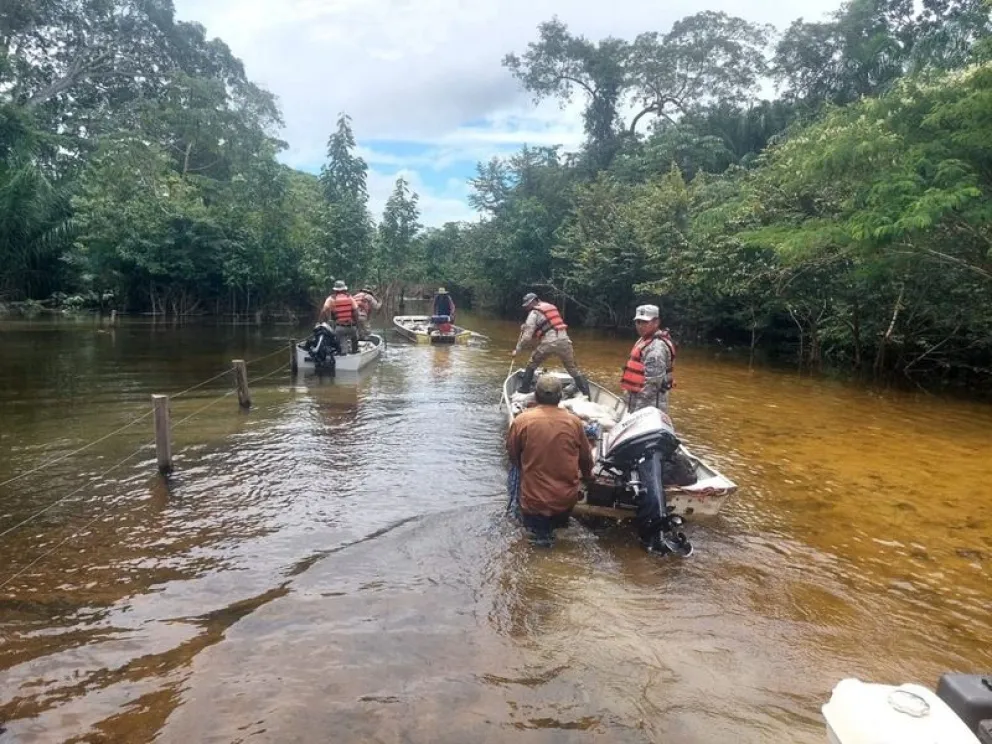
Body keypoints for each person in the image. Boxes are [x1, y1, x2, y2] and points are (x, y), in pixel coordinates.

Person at [506, 375, 593, 548]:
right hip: (565, 499)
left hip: (534, 501)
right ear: (560, 397)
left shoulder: (522, 421)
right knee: (560, 536)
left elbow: (513, 455)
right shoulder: (574, 422)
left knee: (537, 544)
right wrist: (589, 478)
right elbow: (586, 458)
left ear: (535, 396)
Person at [511, 292, 591, 398]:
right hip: (565, 341)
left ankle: (524, 389)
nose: (527, 307)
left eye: (528, 304)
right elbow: (547, 326)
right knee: (572, 368)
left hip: (549, 342)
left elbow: (527, 337)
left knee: (532, 364)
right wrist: (526, 327)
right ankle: (586, 394)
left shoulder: (534, 313)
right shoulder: (550, 306)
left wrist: (518, 349)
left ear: (534, 301)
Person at [620, 304, 676, 414]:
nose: (640, 326)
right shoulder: (643, 340)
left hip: (649, 409)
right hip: (636, 402)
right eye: (638, 322)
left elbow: (651, 386)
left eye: (645, 322)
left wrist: (636, 413)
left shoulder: (656, 348)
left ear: (656, 322)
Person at [319, 280, 359, 354]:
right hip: (351, 327)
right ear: (344, 289)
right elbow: (356, 311)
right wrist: (357, 324)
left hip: (339, 328)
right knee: (355, 338)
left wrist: (320, 322)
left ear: (335, 290)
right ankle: (355, 351)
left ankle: (343, 352)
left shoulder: (331, 299)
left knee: (341, 341)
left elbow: (323, 311)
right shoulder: (350, 297)